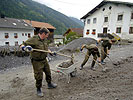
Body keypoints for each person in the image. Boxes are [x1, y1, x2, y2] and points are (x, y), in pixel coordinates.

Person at [20, 27, 57, 97]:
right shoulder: (34, 39)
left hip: (44, 59)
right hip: (37, 61)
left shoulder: (45, 40)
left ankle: (49, 84)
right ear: (43, 33)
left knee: (48, 72)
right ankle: (38, 89)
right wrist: (24, 48)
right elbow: (22, 45)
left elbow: (46, 48)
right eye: (47, 35)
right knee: (39, 76)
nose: (47, 36)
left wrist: (51, 52)